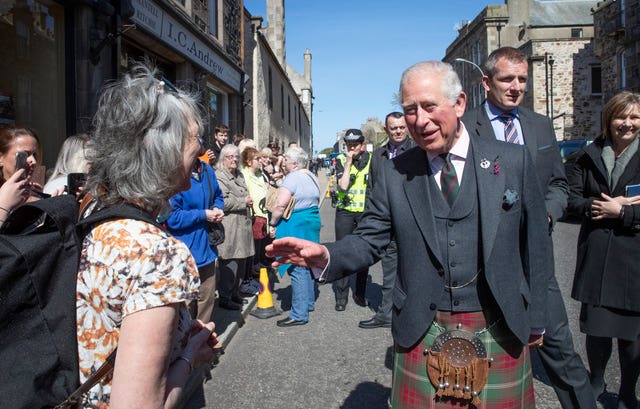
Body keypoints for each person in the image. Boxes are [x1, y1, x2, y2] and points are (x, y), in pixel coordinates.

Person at [267, 61, 552, 409]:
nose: (420, 120)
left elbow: (536, 245)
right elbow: (369, 237)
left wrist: (539, 316)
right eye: (410, 110)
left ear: (460, 103)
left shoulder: (511, 161)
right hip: (422, 322)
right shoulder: (393, 171)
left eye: (430, 106)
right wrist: (327, 256)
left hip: (499, 322)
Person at [76, 64, 217, 408]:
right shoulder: (156, 252)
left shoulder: (91, 210)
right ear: (163, 150)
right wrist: (190, 357)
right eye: (194, 137)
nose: (201, 149)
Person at [463, 46, 595, 409]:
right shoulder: (465, 126)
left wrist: (546, 214)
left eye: (522, 79)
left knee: (560, 350)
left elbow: (558, 184)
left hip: (534, 259)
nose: (517, 86)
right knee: (485, 353)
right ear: (486, 82)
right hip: (483, 260)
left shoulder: (538, 125)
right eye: (508, 79)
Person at [566, 91, 640, 409]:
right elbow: (569, 198)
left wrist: (624, 212)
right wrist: (599, 206)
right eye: (620, 116)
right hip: (597, 253)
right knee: (596, 330)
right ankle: (596, 381)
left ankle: (627, 392)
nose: (627, 123)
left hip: (634, 257)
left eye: (634, 117)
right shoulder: (587, 155)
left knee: (632, 335)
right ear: (608, 119)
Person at [358, 111, 414, 329]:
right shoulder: (379, 156)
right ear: (386, 130)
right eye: (394, 128)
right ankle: (386, 314)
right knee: (389, 270)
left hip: (412, 223)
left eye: (401, 127)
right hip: (388, 223)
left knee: (415, 270)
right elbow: (372, 190)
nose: (398, 131)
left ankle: (413, 314)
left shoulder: (418, 151)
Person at [166, 156, 225, 323]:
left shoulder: (206, 170)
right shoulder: (174, 174)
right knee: (186, 301)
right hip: (185, 249)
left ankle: (203, 335)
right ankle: (184, 342)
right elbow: (172, 218)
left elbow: (218, 196)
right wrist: (203, 214)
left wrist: (217, 208)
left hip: (207, 246)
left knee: (207, 296)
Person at [269, 146, 320, 327]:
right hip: (311, 221)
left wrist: (273, 223)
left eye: (287, 161)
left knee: (296, 266)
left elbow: (280, 206)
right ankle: (307, 303)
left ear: (295, 163)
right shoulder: (311, 176)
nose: (285, 164)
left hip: (296, 223)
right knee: (306, 263)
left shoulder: (292, 177)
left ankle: (299, 314)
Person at [332, 128, 371, 311]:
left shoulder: (371, 160)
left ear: (362, 145)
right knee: (342, 254)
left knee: (364, 254)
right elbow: (343, 185)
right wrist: (348, 162)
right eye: (349, 144)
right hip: (345, 213)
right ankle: (341, 297)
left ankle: (360, 293)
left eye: (355, 144)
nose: (352, 147)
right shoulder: (340, 160)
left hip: (364, 213)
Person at [216, 144, 255, 310]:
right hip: (230, 227)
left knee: (241, 262)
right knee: (229, 263)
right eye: (230, 157)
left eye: (236, 157)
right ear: (223, 159)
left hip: (243, 226)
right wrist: (243, 201)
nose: (234, 159)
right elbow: (222, 202)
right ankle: (225, 297)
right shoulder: (219, 176)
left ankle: (235, 294)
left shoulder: (239, 174)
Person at [0, 125, 40, 225]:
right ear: (1, 158)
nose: (33, 161)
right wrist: (4, 206)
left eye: (35, 155)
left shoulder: (34, 197)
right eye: (24, 154)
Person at [241, 147, 271, 272]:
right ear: (248, 162)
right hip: (254, 218)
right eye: (257, 159)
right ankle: (251, 277)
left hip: (264, 216)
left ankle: (259, 275)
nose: (260, 161)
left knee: (261, 249)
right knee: (253, 251)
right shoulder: (244, 175)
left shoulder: (259, 174)